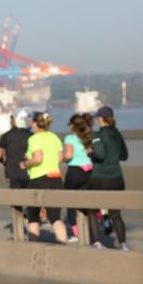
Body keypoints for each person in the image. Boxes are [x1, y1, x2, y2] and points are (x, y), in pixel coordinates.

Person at [19, 112, 68, 243]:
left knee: (33, 217)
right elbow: (60, 158)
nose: (31, 124)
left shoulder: (34, 138)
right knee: (55, 217)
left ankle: (33, 246)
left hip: (39, 179)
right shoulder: (54, 137)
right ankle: (63, 246)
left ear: (35, 123)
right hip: (56, 178)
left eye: (32, 122)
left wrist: (25, 164)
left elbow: (38, 158)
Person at [88, 106, 130, 251]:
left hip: (100, 178)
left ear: (100, 119)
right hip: (117, 178)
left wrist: (90, 153)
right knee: (116, 213)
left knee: (92, 211)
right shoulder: (117, 134)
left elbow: (99, 155)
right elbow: (124, 156)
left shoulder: (97, 135)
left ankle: (97, 242)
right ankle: (123, 243)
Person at [62, 114, 95, 242]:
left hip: (75, 171)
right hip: (89, 171)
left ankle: (76, 234)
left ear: (72, 126)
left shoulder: (69, 138)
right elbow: (90, 153)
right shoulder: (88, 136)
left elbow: (69, 155)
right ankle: (90, 228)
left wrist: (62, 158)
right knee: (86, 201)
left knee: (70, 202)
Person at [0, 110, 32, 190]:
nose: (10, 121)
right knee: (28, 199)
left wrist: (5, 162)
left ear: (15, 120)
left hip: (11, 173)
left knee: (14, 199)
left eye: (11, 119)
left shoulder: (6, 136)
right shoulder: (31, 136)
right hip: (28, 172)